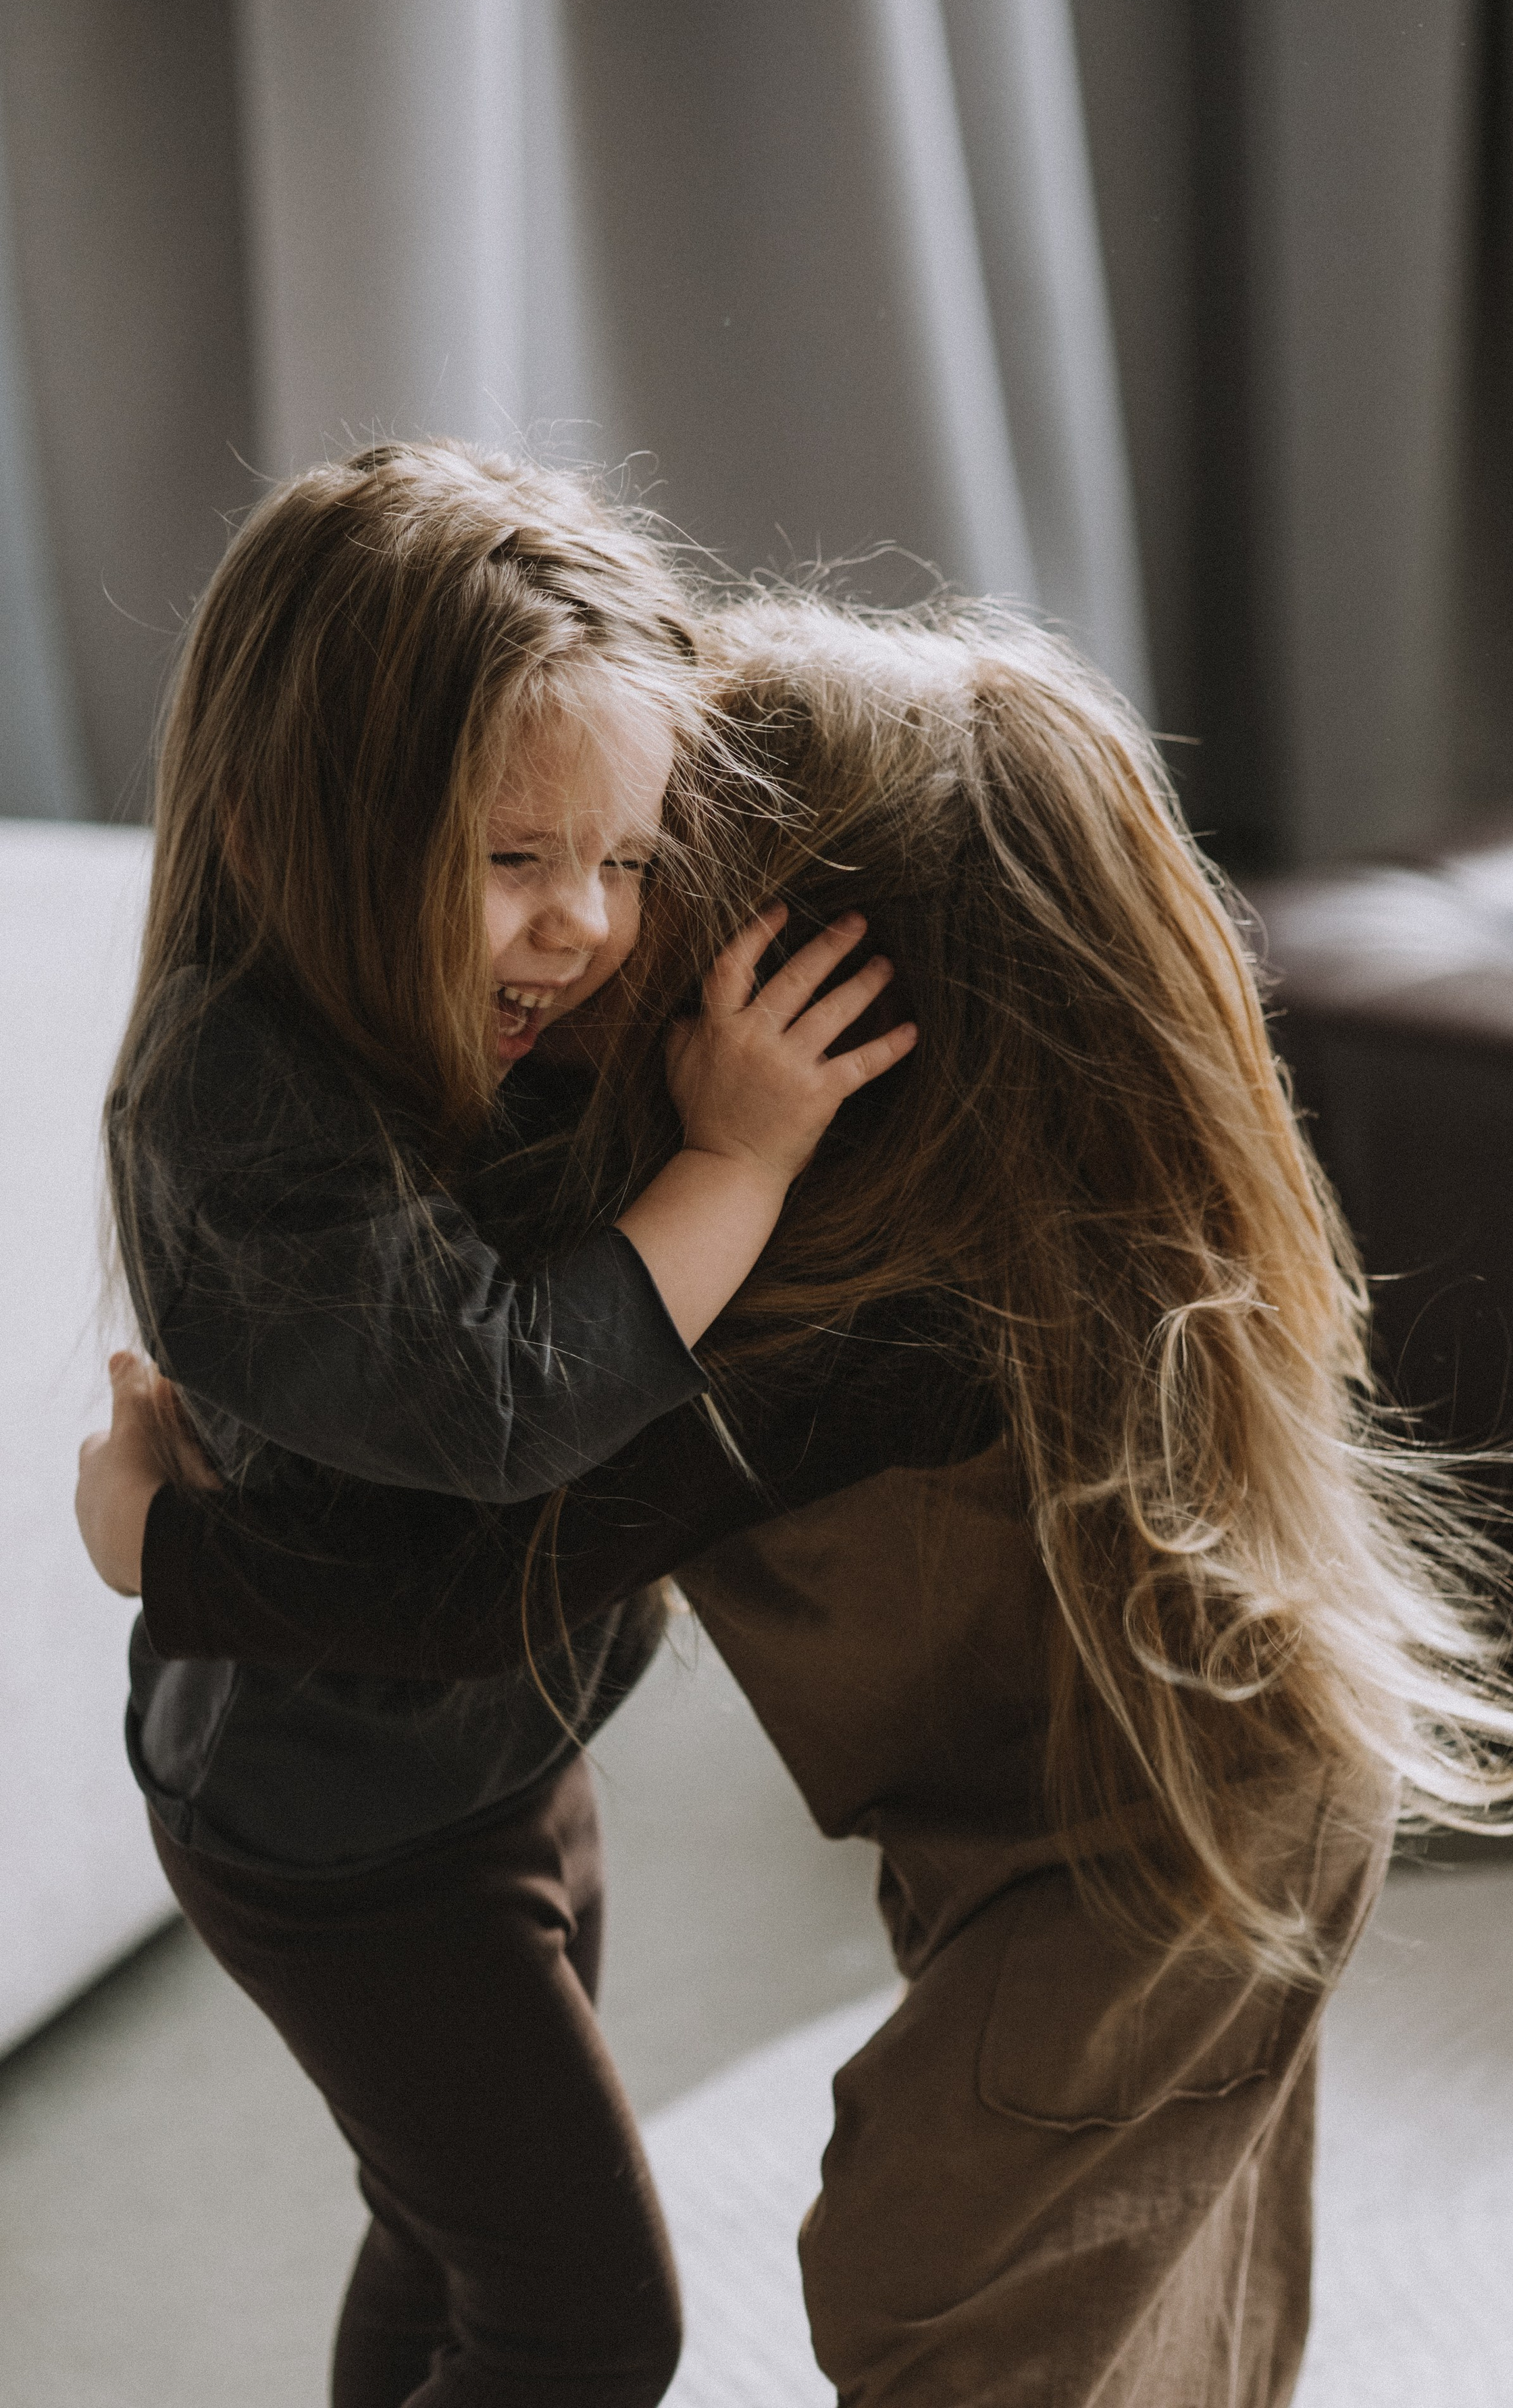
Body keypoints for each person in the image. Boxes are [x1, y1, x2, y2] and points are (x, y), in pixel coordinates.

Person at [82, 593, 1513, 2406]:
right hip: (1063, 1809)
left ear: (834, 1028)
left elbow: (473, 1580)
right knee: (1141, 2244)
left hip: (1156, 1841)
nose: (581, 930)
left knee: (939, 2285)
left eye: (645, 882)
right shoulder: (793, 1224)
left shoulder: (839, 1325)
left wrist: (173, 1549)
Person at [95, 449, 917, 2408]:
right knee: (585, 2324)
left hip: (494, 1766)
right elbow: (501, 1403)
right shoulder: (240, 1101)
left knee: (450, 2235)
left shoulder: (499, 1021)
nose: (582, 926)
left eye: (625, 863)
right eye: (510, 860)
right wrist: (736, 1156)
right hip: (336, 1830)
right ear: (286, 822)